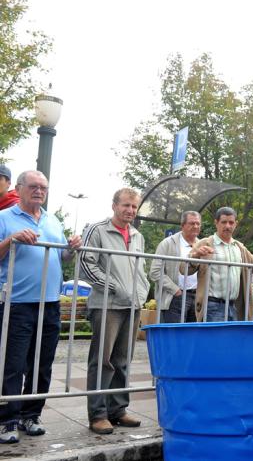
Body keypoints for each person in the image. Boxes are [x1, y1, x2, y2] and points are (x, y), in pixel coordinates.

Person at [0, 170, 81, 443]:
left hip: (50, 304)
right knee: (12, 365)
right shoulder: (4, 218)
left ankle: (31, 415)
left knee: (42, 364)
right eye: (33, 186)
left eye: (43, 187)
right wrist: (11, 240)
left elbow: (62, 258)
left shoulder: (53, 220)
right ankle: (7, 420)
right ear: (20, 188)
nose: (39, 191)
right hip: (17, 304)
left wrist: (72, 248)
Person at [79, 188, 150, 435]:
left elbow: (140, 269)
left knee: (123, 361)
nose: (130, 210)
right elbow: (85, 264)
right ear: (114, 205)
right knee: (102, 361)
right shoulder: (97, 230)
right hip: (107, 305)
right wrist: (114, 287)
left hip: (133, 305)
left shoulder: (138, 235)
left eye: (134, 207)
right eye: (126, 205)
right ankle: (97, 414)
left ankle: (117, 410)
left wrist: (141, 291)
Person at [185, 207, 253, 322]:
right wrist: (196, 255)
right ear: (216, 223)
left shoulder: (239, 247)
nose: (227, 226)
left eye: (231, 222)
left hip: (234, 306)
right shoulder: (205, 243)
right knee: (216, 340)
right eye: (224, 222)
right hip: (212, 306)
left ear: (235, 224)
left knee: (232, 340)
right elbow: (184, 269)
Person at [149, 211, 201, 323]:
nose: (195, 226)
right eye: (192, 223)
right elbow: (155, 272)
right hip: (175, 298)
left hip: (197, 298)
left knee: (192, 338)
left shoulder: (202, 245)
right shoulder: (167, 243)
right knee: (175, 337)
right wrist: (175, 290)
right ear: (182, 225)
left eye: (198, 223)